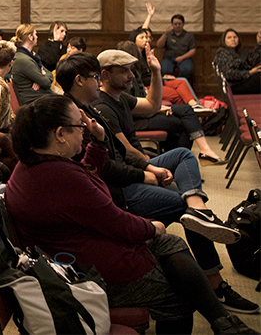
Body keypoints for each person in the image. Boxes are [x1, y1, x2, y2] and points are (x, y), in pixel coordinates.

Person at [5, 94, 255, 335]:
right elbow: (117, 222)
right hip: (87, 272)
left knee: (172, 243)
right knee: (178, 296)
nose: (84, 128)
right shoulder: (60, 177)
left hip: (75, 252)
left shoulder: (34, 163)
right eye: (79, 125)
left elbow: (87, 176)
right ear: (60, 134)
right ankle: (223, 321)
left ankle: (224, 323)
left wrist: (98, 141)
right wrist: (151, 227)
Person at [56, 52, 259, 315]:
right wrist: (146, 174)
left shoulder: (90, 108)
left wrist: (149, 167)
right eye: (95, 77)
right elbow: (104, 169)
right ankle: (215, 282)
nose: (98, 82)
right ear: (80, 80)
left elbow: (118, 152)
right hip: (117, 192)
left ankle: (199, 210)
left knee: (184, 157)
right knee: (182, 209)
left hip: (124, 176)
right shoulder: (75, 115)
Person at [101, 47, 225, 164]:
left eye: (130, 70)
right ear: (105, 75)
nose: (131, 75)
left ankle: (185, 164)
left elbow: (152, 104)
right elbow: (127, 150)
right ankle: (186, 163)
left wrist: (156, 71)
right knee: (185, 154)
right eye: (124, 71)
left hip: (141, 161)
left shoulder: (121, 97)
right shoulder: (103, 106)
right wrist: (150, 166)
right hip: (138, 166)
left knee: (185, 152)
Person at [11, 23, 54, 105]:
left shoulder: (31, 55)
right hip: (33, 101)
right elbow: (46, 83)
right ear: (30, 37)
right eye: (35, 34)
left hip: (39, 97)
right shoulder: (23, 59)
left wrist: (40, 78)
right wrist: (41, 76)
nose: (37, 37)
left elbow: (49, 75)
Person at [214, 28, 261, 95]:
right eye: (229, 38)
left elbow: (250, 63)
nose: (233, 39)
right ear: (224, 41)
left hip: (242, 81)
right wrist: (249, 72)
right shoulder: (222, 54)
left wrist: (259, 44)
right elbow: (229, 74)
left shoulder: (240, 52)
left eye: (235, 37)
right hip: (234, 85)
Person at [157, 14, 196, 79]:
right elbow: (159, 45)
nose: (177, 26)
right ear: (172, 25)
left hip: (184, 58)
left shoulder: (189, 35)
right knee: (164, 68)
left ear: (183, 24)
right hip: (169, 58)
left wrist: (182, 57)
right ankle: (168, 85)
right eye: (175, 24)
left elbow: (193, 50)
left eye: (179, 24)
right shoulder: (168, 34)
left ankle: (180, 84)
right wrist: (165, 34)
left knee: (187, 69)